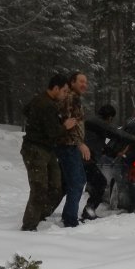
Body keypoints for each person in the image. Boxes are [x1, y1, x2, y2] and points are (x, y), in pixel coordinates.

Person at [20, 74, 77, 231]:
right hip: (35, 150)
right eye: (64, 91)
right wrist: (66, 125)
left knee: (56, 185)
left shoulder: (42, 101)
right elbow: (53, 132)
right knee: (39, 187)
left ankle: (40, 215)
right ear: (56, 88)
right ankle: (29, 226)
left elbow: (25, 110)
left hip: (47, 150)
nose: (65, 94)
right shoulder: (46, 105)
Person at [80, 104, 135, 220]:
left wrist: (114, 153)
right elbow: (116, 133)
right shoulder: (97, 123)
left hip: (85, 159)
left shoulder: (95, 122)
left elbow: (101, 145)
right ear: (110, 117)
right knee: (99, 183)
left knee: (73, 186)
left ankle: (85, 211)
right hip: (84, 160)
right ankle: (87, 211)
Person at [55, 71, 90, 227]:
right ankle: (70, 220)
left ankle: (68, 215)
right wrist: (80, 143)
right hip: (68, 145)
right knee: (76, 182)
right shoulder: (71, 98)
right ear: (72, 82)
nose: (84, 85)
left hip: (70, 145)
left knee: (76, 181)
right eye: (81, 81)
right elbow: (70, 123)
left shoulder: (73, 97)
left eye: (86, 82)